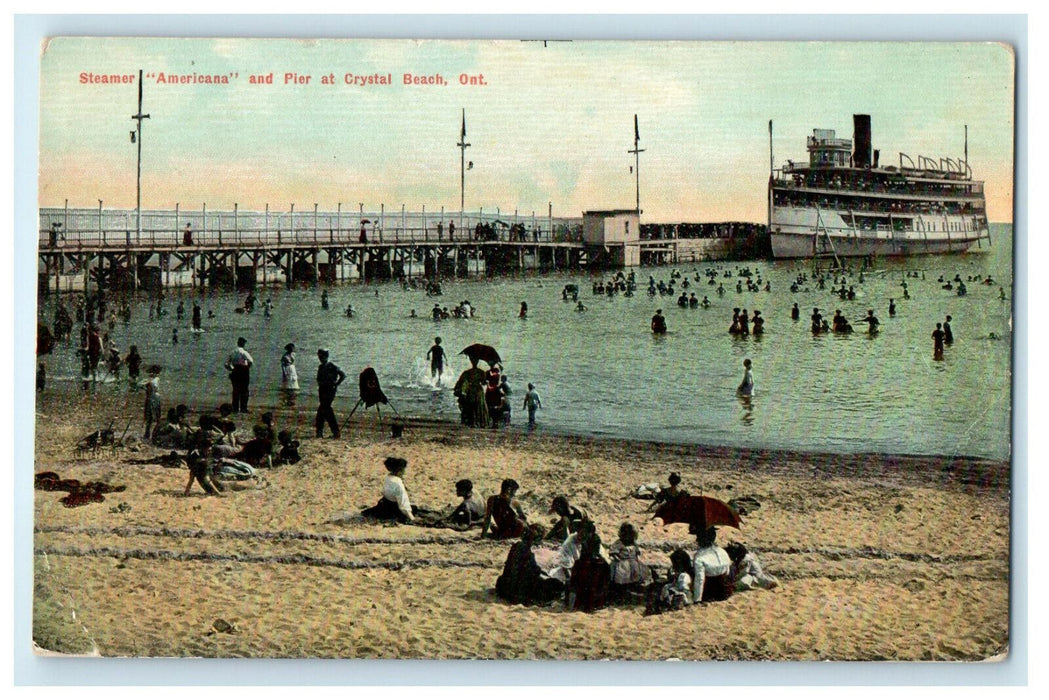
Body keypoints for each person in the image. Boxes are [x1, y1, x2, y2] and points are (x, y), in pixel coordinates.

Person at [495, 524, 564, 606]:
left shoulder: (516, 546)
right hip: (518, 591)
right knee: (556, 584)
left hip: (505, 587)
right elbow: (531, 573)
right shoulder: (527, 552)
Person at [566, 526, 612, 612]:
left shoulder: (580, 563)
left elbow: (573, 583)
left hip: (583, 598)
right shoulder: (602, 563)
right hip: (595, 599)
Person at [361, 457, 415, 523]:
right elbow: (403, 505)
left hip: (384, 505)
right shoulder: (398, 484)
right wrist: (412, 518)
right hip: (393, 509)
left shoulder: (388, 478)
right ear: (400, 470)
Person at [609, 523, 652, 600]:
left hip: (633, 562)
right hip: (622, 562)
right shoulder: (619, 543)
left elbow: (637, 552)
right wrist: (616, 558)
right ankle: (622, 589)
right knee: (622, 576)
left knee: (635, 575)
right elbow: (613, 552)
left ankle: (632, 587)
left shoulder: (633, 543)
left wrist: (637, 558)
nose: (629, 538)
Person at [692, 525, 734, 603]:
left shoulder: (699, 557)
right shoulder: (722, 551)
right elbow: (728, 571)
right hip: (726, 590)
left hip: (711, 591)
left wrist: (697, 600)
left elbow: (700, 580)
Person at [645, 549, 694, 615]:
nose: (673, 567)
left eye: (674, 564)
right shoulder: (680, 574)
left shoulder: (684, 576)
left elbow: (684, 590)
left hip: (682, 598)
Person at [315, 348, 346, 439]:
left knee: (324, 410)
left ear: (326, 357)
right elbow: (319, 378)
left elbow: (343, 375)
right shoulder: (320, 367)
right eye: (319, 357)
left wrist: (336, 384)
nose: (320, 359)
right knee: (324, 410)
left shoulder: (332, 366)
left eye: (322, 357)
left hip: (330, 390)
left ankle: (328, 431)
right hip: (322, 390)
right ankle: (327, 432)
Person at [453, 357, 489, 428]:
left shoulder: (467, 372)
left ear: (471, 362)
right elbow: (484, 382)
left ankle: (472, 422)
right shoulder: (481, 372)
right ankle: (479, 422)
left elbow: (461, 381)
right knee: (479, 406)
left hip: (471, 390)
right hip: (478, 390)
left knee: (471, 406)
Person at [224, 337, 254, 413]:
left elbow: (226, 364)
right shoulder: (244, 352)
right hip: (243, 371)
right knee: (244, 390)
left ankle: (235, 407)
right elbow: (250, 361)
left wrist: (232, 369)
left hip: (235, 370)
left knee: (236, 390)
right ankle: (243, 408)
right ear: (243, 344)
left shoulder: (233, 352)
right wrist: (247, 367)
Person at [143, 364, 162, 441]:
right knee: (155, 416)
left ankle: (148, 433)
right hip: (155, 398)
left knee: (150, 417)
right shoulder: (156, 379)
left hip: (151, 398)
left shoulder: (153, 380)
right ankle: (152, 433)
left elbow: (147, 386)